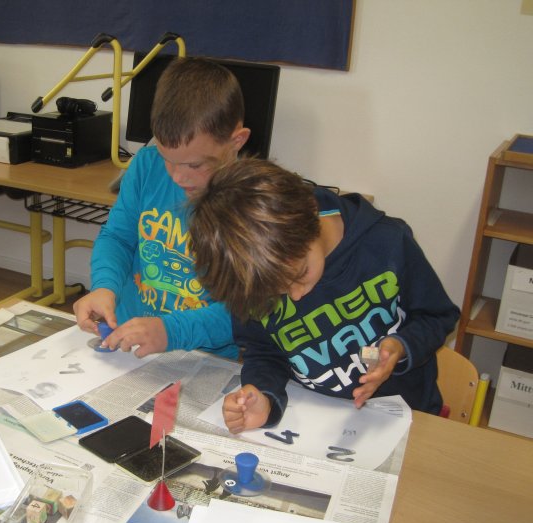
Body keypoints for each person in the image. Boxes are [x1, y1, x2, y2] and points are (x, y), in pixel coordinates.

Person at [187, 158, 460, 433]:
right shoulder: (252, 275)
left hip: (406, 420)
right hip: (315, 425)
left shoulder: (387, 243)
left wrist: (401, 346)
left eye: (301, 274)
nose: (295, 296)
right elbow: (264, 351)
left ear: (310, 223)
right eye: (276, 293)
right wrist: (264, 396)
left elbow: (437, 316)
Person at [73, 58, 251, 359]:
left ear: (236, 141)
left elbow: (249, 311)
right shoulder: (145, 164)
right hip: (131, 343)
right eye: (168, 158)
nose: (177, 176)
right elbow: (117, 238)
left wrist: (170, 331)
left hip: (203, 356)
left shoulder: (254, 204)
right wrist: (104, 286)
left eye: (195, 164)